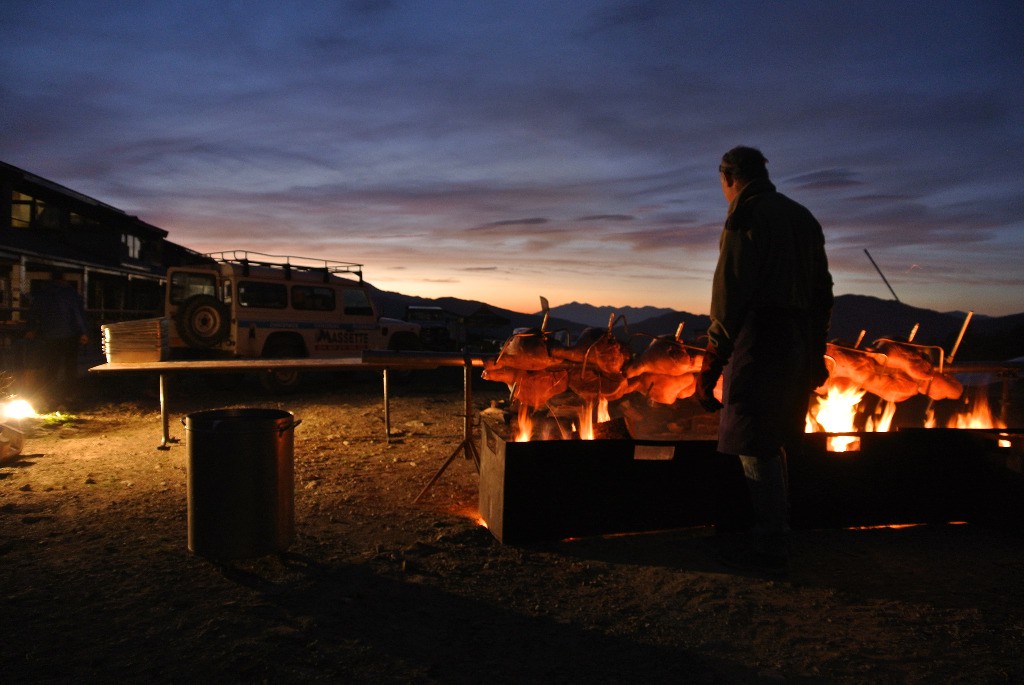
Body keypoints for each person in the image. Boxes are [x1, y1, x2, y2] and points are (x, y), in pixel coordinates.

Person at [696, 146, 833, 573]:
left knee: (754, 442)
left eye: (721, 181)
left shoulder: (746, 216)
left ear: (730, 176)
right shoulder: (803, 217)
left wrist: (711, 363)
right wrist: (814, 350)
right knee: (775, 441)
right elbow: (823, 292)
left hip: (759, 341)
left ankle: (772, 544)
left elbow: (729, 293)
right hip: (797, 340)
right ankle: (779, 532)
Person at [25, 269, 91, 408]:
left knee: (52, 366)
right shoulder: (70, 294)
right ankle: (69, 395)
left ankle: (50, 396)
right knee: (70, 366)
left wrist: (31, 329)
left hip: (50, 336)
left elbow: (34, 313)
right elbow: (77, 314)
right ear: (63, 280)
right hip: (70, 335)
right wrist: (84, 332)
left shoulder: (43, 295)